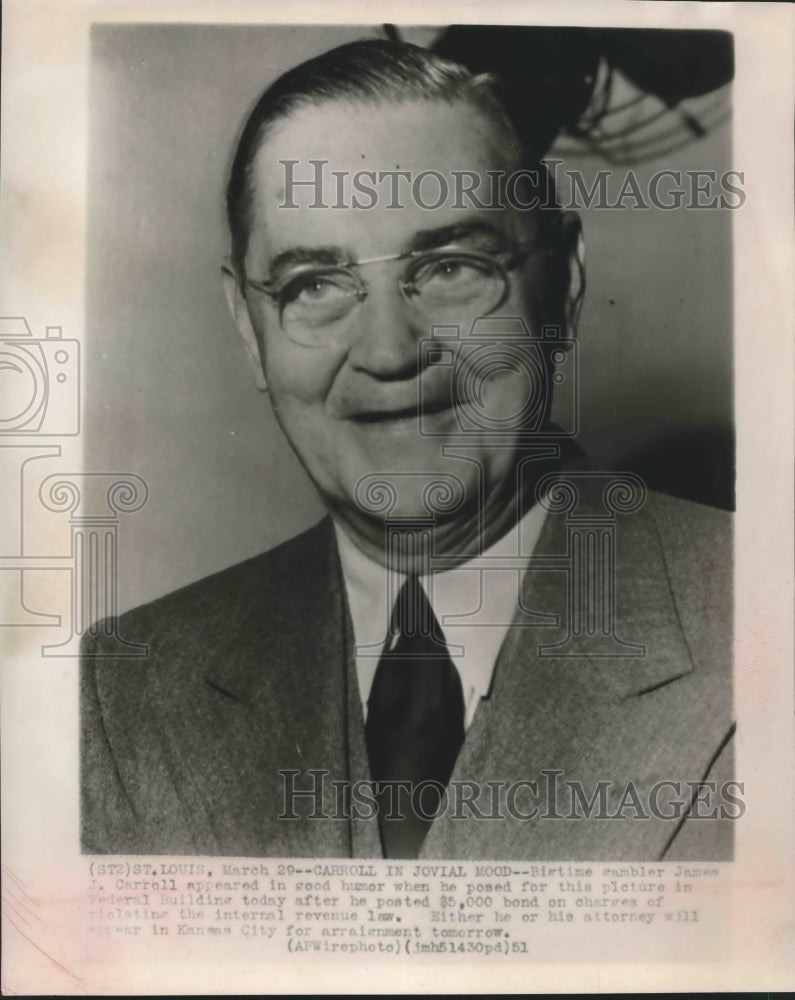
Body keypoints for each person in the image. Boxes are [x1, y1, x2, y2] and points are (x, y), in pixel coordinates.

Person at [81, 37, 734, 860]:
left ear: (561, 281)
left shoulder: (762, 626)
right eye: (313, 286)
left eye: (451, 265)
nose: (389, 350)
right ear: (250, 329)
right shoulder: (119, 694)